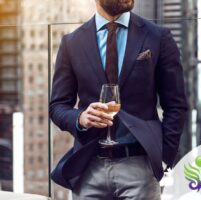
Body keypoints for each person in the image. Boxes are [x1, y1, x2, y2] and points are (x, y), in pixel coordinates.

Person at [49, 0, 187, 199]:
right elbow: (57, 106)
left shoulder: (158, 37)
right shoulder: (72, 43)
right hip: (88, 168)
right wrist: (80, 119)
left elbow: (176, 104)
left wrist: (164, 158)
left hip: (140, 168)